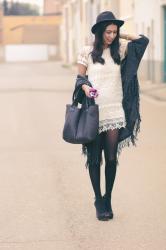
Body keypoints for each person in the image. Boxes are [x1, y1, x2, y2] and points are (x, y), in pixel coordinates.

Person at [75, 11, 149, 221]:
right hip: (93, 112)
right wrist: (86, 89)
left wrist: (123, 36)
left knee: (110, 158)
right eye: (108, 32)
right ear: (99, 32)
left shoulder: (121, 50)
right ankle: (98, 199)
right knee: (95, 159)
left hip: (115, 110)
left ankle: (108, 198)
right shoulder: (87, 52)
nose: (111, 36)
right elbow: (79, 80)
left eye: (114, 32)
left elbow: (144, 41)